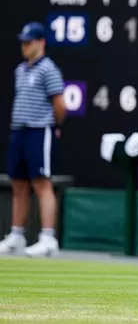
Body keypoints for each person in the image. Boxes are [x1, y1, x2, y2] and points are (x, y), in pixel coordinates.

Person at [0, 22, 66, 257]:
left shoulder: (49, 69)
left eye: (29, 42)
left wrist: (54, 125)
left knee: (41, 183)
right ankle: (17, 235)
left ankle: (48, 239)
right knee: (18, 183)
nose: (25, 46)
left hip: (40, 130)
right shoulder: (20, 70)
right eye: (23, 42)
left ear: (41, 42)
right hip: (19, 131)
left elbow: (60, 104)